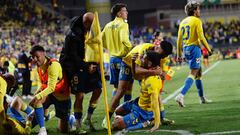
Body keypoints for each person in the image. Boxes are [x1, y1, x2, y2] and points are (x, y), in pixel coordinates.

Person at [59, 12, 101, 133]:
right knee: (80, 95)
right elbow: (73, 56)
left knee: (98, 89)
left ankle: (87, 119)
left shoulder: (87, 30)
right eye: (92, 24)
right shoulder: (73, 35)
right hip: (73, 67)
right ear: (86, 23)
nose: (94, 27)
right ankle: (78, 125)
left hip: (85, 64)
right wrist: (86, 66)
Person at [112, 51, 162, 132]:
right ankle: (130, 119)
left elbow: (155, 104)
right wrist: (133, 62)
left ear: (149, 63)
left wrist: (157, 124)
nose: (141, 60)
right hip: (137, 103)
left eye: (144, 58)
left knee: (115, 125)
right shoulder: (148, 71)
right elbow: (135, 77)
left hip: (143, 112)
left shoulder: (153, 82)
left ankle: (146, 122)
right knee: (117, 111)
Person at [175, 1, 213, 107]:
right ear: (194, 11)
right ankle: (181, 95)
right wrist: (209, 49)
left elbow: (179, 40)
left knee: (198, 73)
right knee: (193, 72)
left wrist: (178, 55)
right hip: (194, 48)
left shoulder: (183, 22)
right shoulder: (197, 21)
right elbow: (201, 37)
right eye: (198, 9)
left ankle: (202, 98)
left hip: (186, 48)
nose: (199, 11)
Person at [29, 45, 71, 135]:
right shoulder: (38, 66)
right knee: (33, 115)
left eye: (37, 56)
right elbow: (41, 82)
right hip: (49, 94)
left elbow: (51, 87)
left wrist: (38, 95)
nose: (35, 59)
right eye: (33, 57)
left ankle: (70, 118)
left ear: (44, 54)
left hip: (61, 95)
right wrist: (39, 90)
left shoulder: (53, 65)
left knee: (63, 130)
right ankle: (44, 125)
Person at [102, 3, 133, 102]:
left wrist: (110, 47)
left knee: (116, 87)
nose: (126, 12)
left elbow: (100, 40)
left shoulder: (108, 25)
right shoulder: (123, 24)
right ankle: (124, 110)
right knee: (127, 87)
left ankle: (114, 109)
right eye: (124, 10)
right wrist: (131, 49)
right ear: (119, 14)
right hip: (123, 59)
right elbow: (124, 39)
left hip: (112, 60)